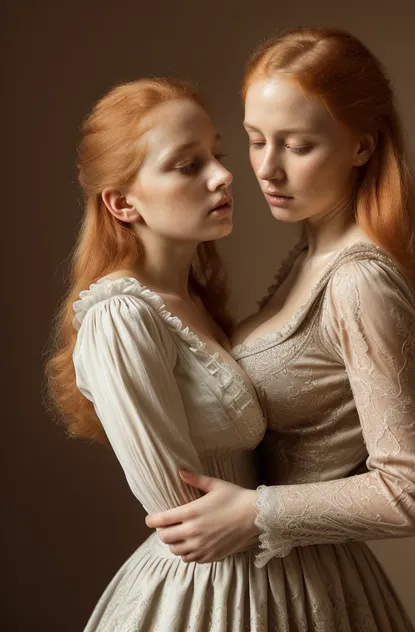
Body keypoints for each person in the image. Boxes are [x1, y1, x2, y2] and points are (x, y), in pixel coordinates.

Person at [146, 28, 415, 631]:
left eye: (298, 146)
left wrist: (257, 511)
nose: (267, 170)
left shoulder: (359, 281)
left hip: (308, 587)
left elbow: (411, 496)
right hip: (263, 581)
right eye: (255, 141)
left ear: (361, 147)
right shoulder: (308, 258)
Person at [46, 77, 327, 631]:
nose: (224, 176)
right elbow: (186, 518)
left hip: (272, 574)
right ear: (123, 203)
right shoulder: (121, 317)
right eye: (187, 165)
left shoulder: (191, 302)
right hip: (216, 593)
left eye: (217, 156)